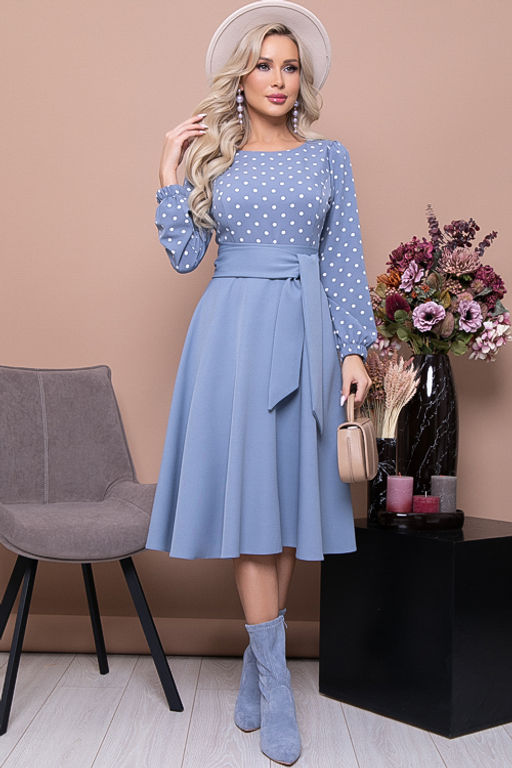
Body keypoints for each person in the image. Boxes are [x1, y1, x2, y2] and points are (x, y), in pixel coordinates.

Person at [145, 1, 377, 764]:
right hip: (234, 337)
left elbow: (343, 255)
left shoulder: (328, 157)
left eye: (289, 67)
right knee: (252, 508)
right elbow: (185, 257)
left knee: (283, 509)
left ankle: (258, 663)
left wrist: (353, 350)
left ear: (301, 79)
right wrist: (168, 173)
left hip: (307, 333)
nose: (278, 79)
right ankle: (278, 687)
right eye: (263, 65)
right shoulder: (214, 158)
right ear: (239, 78)